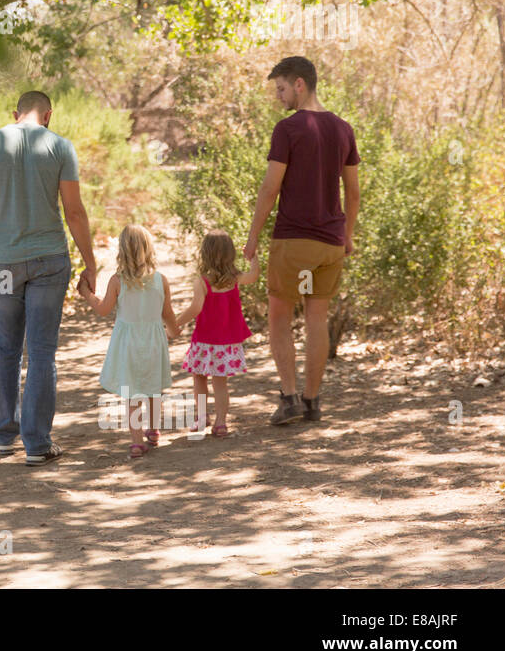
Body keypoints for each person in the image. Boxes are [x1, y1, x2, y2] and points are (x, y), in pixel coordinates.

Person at [0, 90, 96, 466]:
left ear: (15, 113)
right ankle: (36, 444)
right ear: (48, 115)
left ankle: (5, 434)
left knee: (5, 349)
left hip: (4, 265)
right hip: (49, 262)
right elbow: (74, 212)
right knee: (41, 352)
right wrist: (91, 262)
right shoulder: (60, 147)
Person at [244, 56, 360, 425]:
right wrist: (348, 235)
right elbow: (353, 192)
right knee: (316, 317)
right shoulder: (343, 129)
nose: (278, 97)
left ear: (299, 84)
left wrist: (251, 239)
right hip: (330, 244)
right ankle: (312, 402)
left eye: (280, 88)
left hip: (293, 241)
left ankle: (290, 398)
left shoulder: (289, 128)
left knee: (279, 316)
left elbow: (269, 188)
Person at [79, 225, 177, 459]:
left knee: (132, 393)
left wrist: (86, 294)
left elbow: (103, 310)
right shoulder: (160, 280)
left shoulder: (117, 281)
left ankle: (136, 442)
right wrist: (174, 330)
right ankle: (152, 430)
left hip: (129, 344)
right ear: (148, 249)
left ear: (121, 251)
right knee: (153, 389)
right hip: (154, 341)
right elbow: (168, 313)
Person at [171, 230, 257, 438]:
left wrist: (173, 324)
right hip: (226, 343)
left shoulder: (202, 281)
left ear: (205, 254)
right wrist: (254, 257)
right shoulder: (234, 279)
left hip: (204, 340)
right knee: (221, 383)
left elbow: (195, 308)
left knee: (199, 379)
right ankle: (221, 422)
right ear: (231, 254)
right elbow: (254, 276)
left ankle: (201, 418)